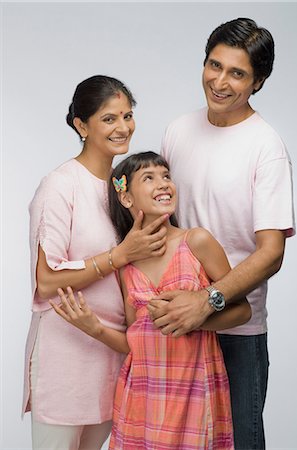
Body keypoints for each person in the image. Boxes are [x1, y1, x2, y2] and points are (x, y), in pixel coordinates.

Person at [148, 18, 296, 450]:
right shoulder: (178, 130)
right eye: (214, 65)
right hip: (176, 323)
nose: (220, 81)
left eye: (237, 73)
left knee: (238, 443)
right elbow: (160, 214)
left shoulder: (266, 147)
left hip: (236, 331)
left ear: (259, 81)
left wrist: (207, 300)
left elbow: (271, 253)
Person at [50, 151, 252, 450]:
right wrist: (94, 328)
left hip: (193, 393)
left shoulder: (196, 242)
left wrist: (196, 316)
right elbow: (136, 341)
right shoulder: (125, 266)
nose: (164, 183)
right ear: (126, 198)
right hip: (141, 396)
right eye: (149, 177)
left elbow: (243, 310)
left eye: (166, 176)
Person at [22, 76, 169, 450]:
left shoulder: (124, 187)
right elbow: (46, 280)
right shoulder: (60, 185)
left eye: (127, 115)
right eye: (109, 119)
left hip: (114, 350)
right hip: (67, 353)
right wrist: (118, 256)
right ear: (81, 126)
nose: (123, 128)